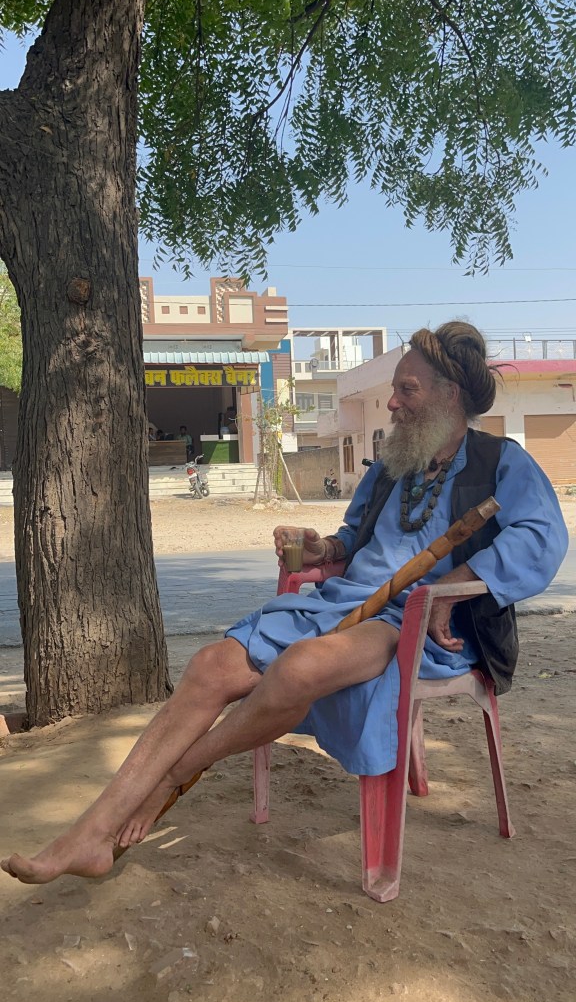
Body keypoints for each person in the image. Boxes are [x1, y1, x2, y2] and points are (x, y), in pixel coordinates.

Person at [2, 321, 568, 886]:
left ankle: (175, 773)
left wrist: (463, 578)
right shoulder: (394, 463)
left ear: (451, 395)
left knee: (299, 668)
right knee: (210, 665)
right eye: (394, 388)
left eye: (407, 389)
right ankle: (90, 833)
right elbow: (357, 538)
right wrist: (326, 548)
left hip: (415, 624)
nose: (393, 402)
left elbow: (542, 536)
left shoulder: (500, 462)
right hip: (346, 604)